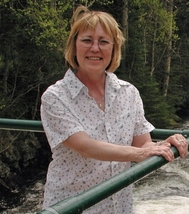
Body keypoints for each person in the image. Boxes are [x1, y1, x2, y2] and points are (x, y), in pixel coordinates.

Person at [40, 5, 188, 214]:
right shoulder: (55, 97)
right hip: (72, 207)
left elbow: (143, 144)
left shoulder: (129, 93)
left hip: (119, 206)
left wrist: (164, 144)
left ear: (113, 49)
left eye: (103, 41)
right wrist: (142, 152)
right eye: (87, 40)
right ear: (74, 46)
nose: (95, 48)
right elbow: (85, 147)